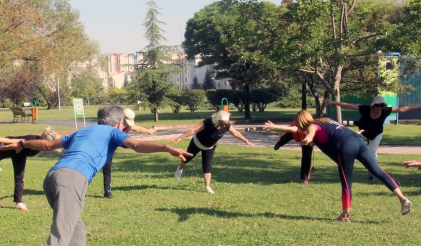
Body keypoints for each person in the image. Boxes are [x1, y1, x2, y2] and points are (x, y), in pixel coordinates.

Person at [5, 105, 191, 246]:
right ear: (119, 124)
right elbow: (138, 145)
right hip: (72, 180)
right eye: (124, 126)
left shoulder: (83, 130)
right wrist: (166, 148)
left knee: (77, 232)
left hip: (52, 178)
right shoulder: (114, 132)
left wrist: (22, 143)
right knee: (61, 235)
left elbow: (47, 144)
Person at [265, 110, 412, 222]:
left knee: (346, 182)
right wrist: (276, 127)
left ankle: (345, 216)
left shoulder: (311, 127)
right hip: (358, 141)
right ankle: (402, 198)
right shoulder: (325, 120)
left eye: (297, 123)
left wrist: (305, 141)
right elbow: (295, 130)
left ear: (301, 121)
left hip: (346, 148)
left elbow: (308, 135)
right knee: (378, 171)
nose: (297, 127)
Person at [0, 127, 70, 212]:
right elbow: (11, 141)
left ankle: (19, 203)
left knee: (19, 177)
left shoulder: (51, 141)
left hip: (20, 154)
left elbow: (61, 139)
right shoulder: (31, 140)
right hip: (7, 147)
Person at [323, 96, 421, 180]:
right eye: (377, 105)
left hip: (376, 134)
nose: (379, 108)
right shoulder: (366, 109)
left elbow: (402, 109)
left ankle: (372, 173)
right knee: (353, 147)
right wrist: (332, 102)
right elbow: (349, 106)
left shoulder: (385, 111)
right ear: (373, 105)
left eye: (381, 106)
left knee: (372, 152)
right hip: (363, 132)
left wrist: (419, 107)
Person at [170, 110, 255, 193]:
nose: (225, 125)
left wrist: (246, 140)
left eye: (226, 123)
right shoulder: (208, 122)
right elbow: (194, 130)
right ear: (217, 120)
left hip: (209, 147)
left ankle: (207, 187)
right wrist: (180, 137)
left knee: (207, 166)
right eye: (223, 123)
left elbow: (236, 133)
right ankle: (180, 169)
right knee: (186, 158)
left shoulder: (227, 125)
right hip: (197, 143)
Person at [102, 108, 156, 198]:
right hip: (105, 147)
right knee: (102, 167)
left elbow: (138, 128)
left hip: (119, 143)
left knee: (107, 169)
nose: (128, 124)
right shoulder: (113, 125)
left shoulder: (128, 125)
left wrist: (148, 131)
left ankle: (107, 191)